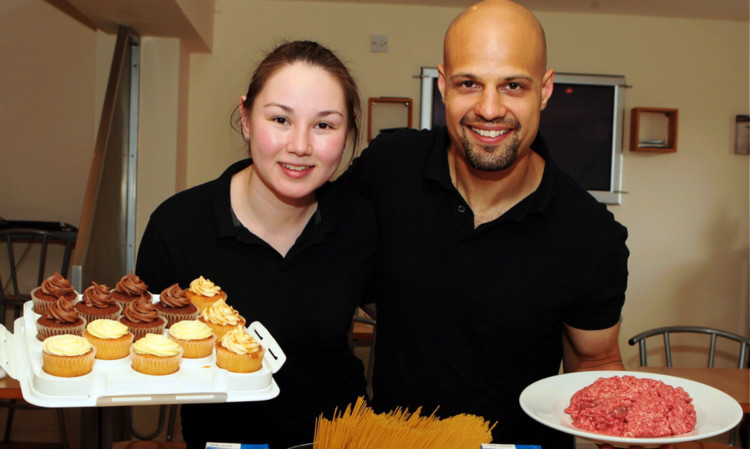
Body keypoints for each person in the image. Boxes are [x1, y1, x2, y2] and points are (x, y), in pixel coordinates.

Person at [345, 1, 630, 447]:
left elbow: (594, 363)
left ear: (545, 89)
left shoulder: (591, 234)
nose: (490, 108)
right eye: (469, 83)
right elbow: (326, 257)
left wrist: (632, 429)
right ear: (443, 85)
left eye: (513, 85)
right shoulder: (388, 168)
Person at [135, 40, 376, 449]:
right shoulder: (177, 226)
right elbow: (145, 351)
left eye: (324, 125)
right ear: (246, 118)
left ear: (348, 131)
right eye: (280, 119)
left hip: (341, 438)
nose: (300, 145)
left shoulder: (362, 223)